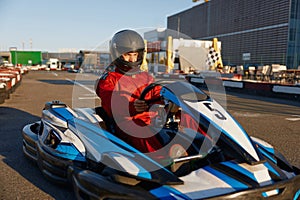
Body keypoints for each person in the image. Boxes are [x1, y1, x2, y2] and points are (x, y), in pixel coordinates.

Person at [95, 29, 163, 153]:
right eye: (127, 54)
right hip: (127, 123)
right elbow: (113, 105)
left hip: (153, 118)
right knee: (139, 128)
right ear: (117, 54)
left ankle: (205, 151)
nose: (132, 59)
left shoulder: (146, 77)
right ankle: (163, 162)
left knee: (185, 118)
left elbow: (158, 94)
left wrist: (171, 101)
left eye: (135, 54)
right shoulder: (109, 79)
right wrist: (133, 106)